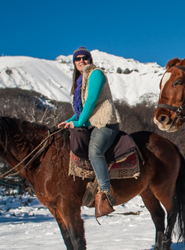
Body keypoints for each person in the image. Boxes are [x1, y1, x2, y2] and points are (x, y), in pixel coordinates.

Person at [58, 46, 121, 217]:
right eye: (77, 59)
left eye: (84, 58)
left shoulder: (95, 74)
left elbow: (91, 102)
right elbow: (81, 108)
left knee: (95, 152)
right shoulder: (80, 82)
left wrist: (79, 122)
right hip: (90, 124)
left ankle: (106, 193)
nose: (81, 61)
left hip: (105, 123)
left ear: (90, 60)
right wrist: (70, 121)